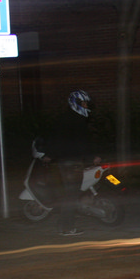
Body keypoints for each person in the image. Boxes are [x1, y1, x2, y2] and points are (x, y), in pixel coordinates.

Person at [39, 90, 100, 236]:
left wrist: (50, 154)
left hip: (64, 161)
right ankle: (67, 227)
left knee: (69, 194)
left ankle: (64, 225)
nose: (86, 106)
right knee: (72, 195)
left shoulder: (64, 118)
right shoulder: (78, 120)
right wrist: (92, 157)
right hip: (73, 162)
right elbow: (82, 142)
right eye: (83, 103)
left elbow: (56, 138)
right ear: (76, 103)